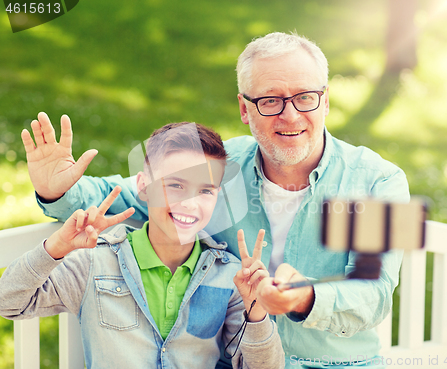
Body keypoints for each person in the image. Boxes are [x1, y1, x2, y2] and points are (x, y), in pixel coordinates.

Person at [24, 32, 409, 368]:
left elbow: (373, 295)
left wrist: (301, 297)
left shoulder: (378, 182)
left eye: (305, 97)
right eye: (271, 100)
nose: (290, 115)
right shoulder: (222, 167)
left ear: (325, 101)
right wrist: (57, 189)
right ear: (244, 108)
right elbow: (120, 196)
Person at [0, 122, 285, 369]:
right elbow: (9, 302)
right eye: (175, 185)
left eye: (205, 190)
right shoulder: (94, 261)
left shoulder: (229, 277)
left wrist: (256, 311)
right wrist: (55, 249)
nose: (189, 203)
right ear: (143, 187)